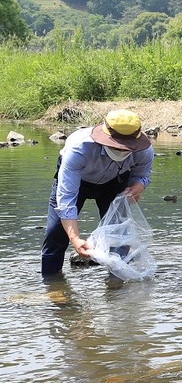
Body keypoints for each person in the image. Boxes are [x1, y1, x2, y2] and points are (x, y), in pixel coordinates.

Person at [41, 110, 154, 278]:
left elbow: (143, 175)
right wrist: (75, 239)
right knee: (55, 234)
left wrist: (138, 187)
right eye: (116, 146)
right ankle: (52, 285)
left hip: (114, 183)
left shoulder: (144, 151)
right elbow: (66, 200)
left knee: (119, 237)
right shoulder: (79, 148)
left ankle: (117, 287)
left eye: (127, 147)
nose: (121, 150)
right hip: (78, 182)